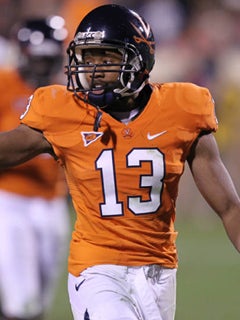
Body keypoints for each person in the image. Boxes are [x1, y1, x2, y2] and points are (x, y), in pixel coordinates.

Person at [0, 4, 239, 320]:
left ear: (140, 60)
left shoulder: (184, 108)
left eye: (106, 57)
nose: (93, 70)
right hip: (96, 267)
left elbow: (229, 207)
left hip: (159, 269)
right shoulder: (63, 111)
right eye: (88, 58)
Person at [0, 16, 70, 320]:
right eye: (38, 58)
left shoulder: (64, 95)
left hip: (53, 202)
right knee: (23, 301)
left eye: (49, 59)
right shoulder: (4, 84)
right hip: (9, 200)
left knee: (39, 301)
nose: (43, 66)